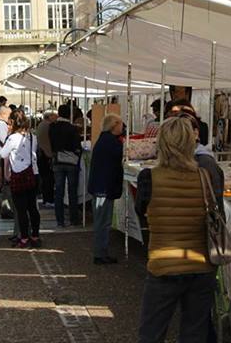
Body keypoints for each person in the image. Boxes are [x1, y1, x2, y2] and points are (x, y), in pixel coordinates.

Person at [135, 116, 218, 343]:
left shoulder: (148, 178)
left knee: (151, 332)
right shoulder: (204, 176)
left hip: (164, 265)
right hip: (201, 265)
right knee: (194, 332)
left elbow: (141, 211)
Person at [0, 111, 41, 248]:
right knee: (33, 208)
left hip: (18, 174)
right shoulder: (33, 137)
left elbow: (3, 153)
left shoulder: (12, 138)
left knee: (21, 209)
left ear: (12, 123)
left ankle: (24, 237)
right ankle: (35, 235)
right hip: (33, 173)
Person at [88, 114, 124, 264]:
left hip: (100, 186)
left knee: (102, 221)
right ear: (114, 125)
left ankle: (101, 252)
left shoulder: (104, 140)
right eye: (120, 124)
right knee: (103, 222)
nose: (122, 127)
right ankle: (100, 253)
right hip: (104, 188)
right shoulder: (111, 142)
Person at [49, 104, 83, 227]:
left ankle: (60, 220)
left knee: (59, 191)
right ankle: (74, 219)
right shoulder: (72, 128)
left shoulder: (52, 127)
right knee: (72, 191)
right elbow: (77, 146)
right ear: (70, 114)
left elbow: (52, 143)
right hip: (71, 162)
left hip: (58, 161)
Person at [36, 110, 58, 208]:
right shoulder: (49, 126)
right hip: (47, 155)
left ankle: (46, 199)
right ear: (49, 117)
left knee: (45, 179)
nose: (57, 118)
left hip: (41, 154)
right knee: (48, 179)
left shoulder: (41, 125)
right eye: (55, 116)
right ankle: (49, 199)